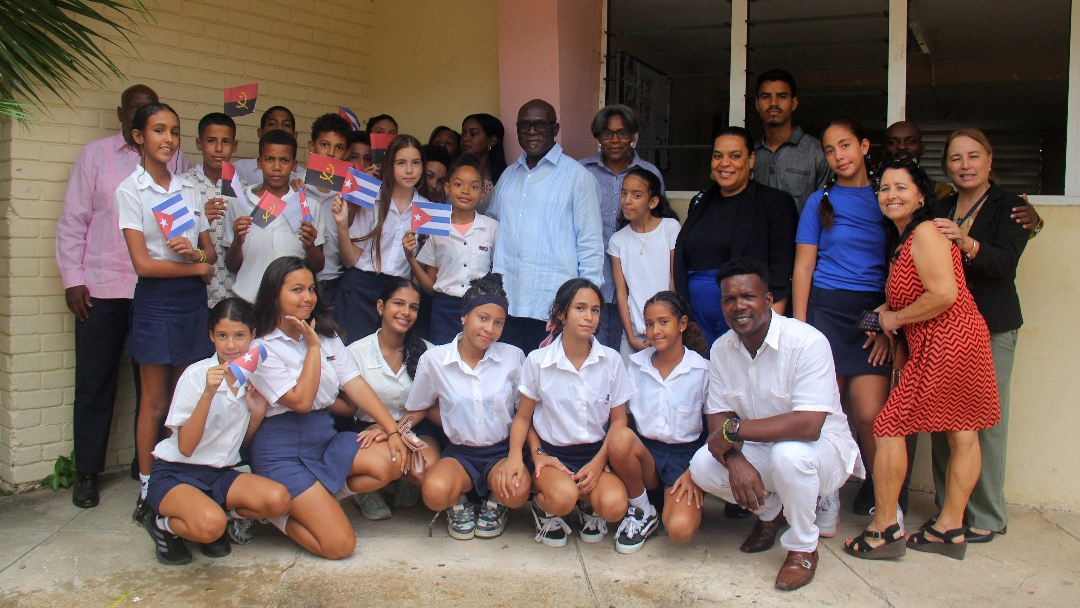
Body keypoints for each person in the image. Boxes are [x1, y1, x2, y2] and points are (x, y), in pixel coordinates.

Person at [844, 157, 1000, 562]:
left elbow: (944, 294)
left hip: (947, 342)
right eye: (884, 188)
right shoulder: (907, 238)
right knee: (962, 433)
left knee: (889, 427)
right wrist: (883, 313)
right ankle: (949, 529)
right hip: (956, 340)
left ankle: (884, 529)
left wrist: (893, 319)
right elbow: (919, 291)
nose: (891, 195)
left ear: (920, 197)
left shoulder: (926, 232)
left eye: (901, 187)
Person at [688, 258, 862, 591]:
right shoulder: (722, 349)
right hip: (762, 451)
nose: (739, 306)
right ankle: (770, 515)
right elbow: (718, 422)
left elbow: (808, 425)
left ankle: (803, 546)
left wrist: (734, 432)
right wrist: (734, 460)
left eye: (748, 296)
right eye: (729, 299)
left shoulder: (807, 342)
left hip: (821, 453)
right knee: (702, 466)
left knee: (789, 454)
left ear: (768, 299)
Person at [57, 84, 189, 508]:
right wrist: (72, 278)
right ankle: (87, 472)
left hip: (156, 292)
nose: (143, 117)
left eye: (151, 111)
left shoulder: (176, 161)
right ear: (123, 117)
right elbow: (73, 220)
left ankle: (146, 466)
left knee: (153, 389)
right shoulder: (94, 156)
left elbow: (185, 228)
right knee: (95, 382)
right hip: (101, 288)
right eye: (136, 110)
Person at [247, 256, 408, 559]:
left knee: (394, 458)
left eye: (311, 289)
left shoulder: (326, 335)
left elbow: (355, 384)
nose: (308, 297)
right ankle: (274, 516)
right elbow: (300, 401)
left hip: (323, 438)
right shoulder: (261, 347)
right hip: (282, 450)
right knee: (339, 545)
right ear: (274, 294)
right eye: (296, 290)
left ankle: (317, 498)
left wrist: (392, 430)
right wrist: (312, 349)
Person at [116, 103, 216, 524]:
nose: (168, 139)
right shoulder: (131, 190)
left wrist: (196, 255)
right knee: (155, 403)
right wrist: (197, 268)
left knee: (185, 398)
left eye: (174, 131)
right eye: (159, 130)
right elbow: (142, 264)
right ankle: (147, 486)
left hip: (192, 302)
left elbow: (211, 254)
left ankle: (181, 479)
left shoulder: (189, 188)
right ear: (139, 137)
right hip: (157, 301)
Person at [928, 129, 1029, 543]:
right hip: (943, 329)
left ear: (990, 160)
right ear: (946, 166)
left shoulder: (1013, 206)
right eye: (956, 158)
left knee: (985, 423)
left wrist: (965, 241)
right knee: (942, 421)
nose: (965, 165)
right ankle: (948, 512)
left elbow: (1004, 263)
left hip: (991, 327)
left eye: (973, 156)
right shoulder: (941, 205)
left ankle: (986, 515)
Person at [792, 119, 891, 523]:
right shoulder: (820, 201)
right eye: (830, 150)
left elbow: (903, 260)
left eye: (845, 146)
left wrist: (888, 320)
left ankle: (885, 496)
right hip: (826, 310)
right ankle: (826, 495)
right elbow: (804, 266)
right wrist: (801, 327)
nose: (838, 156)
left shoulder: (887, 196)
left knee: (868, 414)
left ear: (864, 146)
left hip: (874, 314)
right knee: (826, 412)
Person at [143, 298, 291, 566]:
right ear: (211, 336)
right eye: (222, 336)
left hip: (220, 473)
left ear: (252, 335)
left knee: (278, 500)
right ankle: (161, 524)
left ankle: (217, 516)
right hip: (179, 472)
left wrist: (257, 414)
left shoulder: (249, 375)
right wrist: (208, 394)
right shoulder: (196, 374)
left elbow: (239, 446)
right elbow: (186, 447)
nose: (231, 345)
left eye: (239, 335)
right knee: (211, 527)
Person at [507, 279, 634, 550]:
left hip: (596, 454)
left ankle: (589, 505)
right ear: (560, 313)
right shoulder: (538, 361)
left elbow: (619, 421)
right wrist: (534, 454)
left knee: (614, 507)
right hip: (553, 455)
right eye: (580, 308)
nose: (589, 317)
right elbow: (523, 418)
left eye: (595, 310)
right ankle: (544, 508)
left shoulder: (611, 360)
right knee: (563, 498)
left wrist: (599, 463)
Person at [404, 274, 530, 540]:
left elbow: (524, 413)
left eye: (498, 322)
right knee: (434, 493)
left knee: (517, 491)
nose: (489, 329)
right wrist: (393, 430)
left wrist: (516, 456)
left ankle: (497, 503)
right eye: (482, 318)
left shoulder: (513, 357)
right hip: (460, 454)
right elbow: (419, 407)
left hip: (501, 452)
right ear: (464, 317)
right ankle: (458, 503)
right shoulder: (434, 360)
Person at [489, 99, 604, 352]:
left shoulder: (578, 177)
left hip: (553, 307)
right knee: (508, 373)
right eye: (525, 125)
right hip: (507, 303)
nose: (532, 131)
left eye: (540, 125)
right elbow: (492, 230)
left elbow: (591, 244)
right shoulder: (508, 177)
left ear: (555, 128)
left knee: (549, 375)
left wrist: (586, 303)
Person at [607, 291, 715, 554]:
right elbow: (625, 420)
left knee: (679, 530)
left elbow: (713, 431)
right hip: (646, 457)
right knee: (620, 437)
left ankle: (668, 505)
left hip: (685, 459)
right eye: (649, 324)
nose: (655, 331)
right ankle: (642, 509)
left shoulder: (702, 370)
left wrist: (696, 472)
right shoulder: (635, 365)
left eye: (663, 322)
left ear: (682, 323)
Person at [673, 126, 798, 345]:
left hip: (746, 320)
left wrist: (767, 332)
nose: (724, 163)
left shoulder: (775, 203)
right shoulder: (700, 202)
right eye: (717, 156)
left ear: (751, 160)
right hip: (695, 321)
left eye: (735, 156)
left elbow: (781, 274)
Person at [344, 278, 439, 520]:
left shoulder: (429, 352)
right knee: (392, 460)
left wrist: (396, 430)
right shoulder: (355, 352)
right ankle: (367, 491)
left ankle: (405, 480)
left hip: (415, 427)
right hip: (370, 430)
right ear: (380, 307)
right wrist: (386, 429)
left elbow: (430, 404)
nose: (406, 312)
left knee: (425, 467)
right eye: (398, 303)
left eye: (413, 307)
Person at [581, 105, 666, 350]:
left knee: (634, 352)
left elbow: (656, 224)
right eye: (607, 133)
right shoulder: (582, 172)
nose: (615, 140)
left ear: (633, 136)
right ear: (598, 137)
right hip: (593, 277)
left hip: (637, 283)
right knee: (595, 352)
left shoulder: (648, 173)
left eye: (623, 133)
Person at [332, 135, 428, 344]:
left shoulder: (427, 210)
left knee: (389, 356)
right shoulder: (371, 198)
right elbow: (350, 260)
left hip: (399, 294)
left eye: (415, 163)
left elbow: (423, 270)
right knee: (351, 353)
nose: (409, 170)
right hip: (360, 288)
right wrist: (342, 224)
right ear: (389, 165)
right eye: (401, 163)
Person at [883, 120, 1044, 232]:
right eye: (956, 159)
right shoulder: (876, 190)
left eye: (973, 157)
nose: (902, 147)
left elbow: (1004, 253)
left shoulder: (941, 192)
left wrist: (1036, 223)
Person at [404, 155, 499, 345]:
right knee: (443, 357)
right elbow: (430, 287)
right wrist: (410, 257)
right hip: (444, 308)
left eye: (474, 186)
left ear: (482, 191)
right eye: (458, 184)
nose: (465, 191)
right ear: (447, 188)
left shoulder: (492, 228)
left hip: (478, 308)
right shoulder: (437, 227)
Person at [223, 129, 324, 303]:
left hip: (294, 302)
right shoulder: (239, 204)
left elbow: (319, 265)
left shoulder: (309, 206)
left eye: (284, 160)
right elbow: (232, 265)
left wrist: (309, 247)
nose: (277, 167)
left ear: (294, 165)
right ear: (259, 162)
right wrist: (238, 241)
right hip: (249, 300)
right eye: (269, 159)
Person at [607, 167, 680, 362]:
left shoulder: (670, 228)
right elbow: (621, 292)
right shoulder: (617, 240)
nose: (627, 200)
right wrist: (631, 336)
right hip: (635, 331)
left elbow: (674, 280)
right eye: (624, 193)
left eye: (636, 195)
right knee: (628, 379)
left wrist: (663, 324)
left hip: (666, 329)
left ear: (653, 202)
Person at [752, 69, 831, 212]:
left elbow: (826, 210)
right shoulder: (749, 155)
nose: (773, 103)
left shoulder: (817, 152)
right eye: (766, 97)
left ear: (794, 103)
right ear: (757, 104)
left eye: (782, 96)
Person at [185, 112, 239, 308]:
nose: (218, 148)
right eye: (211, 141)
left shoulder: (243, 189)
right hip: (194, 290)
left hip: (234, 291)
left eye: (226, 142)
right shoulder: (183, 185)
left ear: (235, 145)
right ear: (199, 143)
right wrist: (200, 222)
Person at [301, 113, 352, 304]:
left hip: (334, 279)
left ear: (346, 153)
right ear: (311, 146)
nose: (331, 153)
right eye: (324, 145)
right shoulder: (295, 185)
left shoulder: (349, 191)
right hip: (296, 277)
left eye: (339, 147)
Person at [233, 106, 300, 186]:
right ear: (260, 132)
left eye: (286, 125)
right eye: (272, 124)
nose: (279, 128)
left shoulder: (303, 177)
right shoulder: (241, 168)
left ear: (295, 135)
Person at [459, 113, 507, 214]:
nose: (465, 139)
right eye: (463, 134)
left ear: (491, 141)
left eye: (473, 134)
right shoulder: (454, 173)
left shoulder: (504, 180)